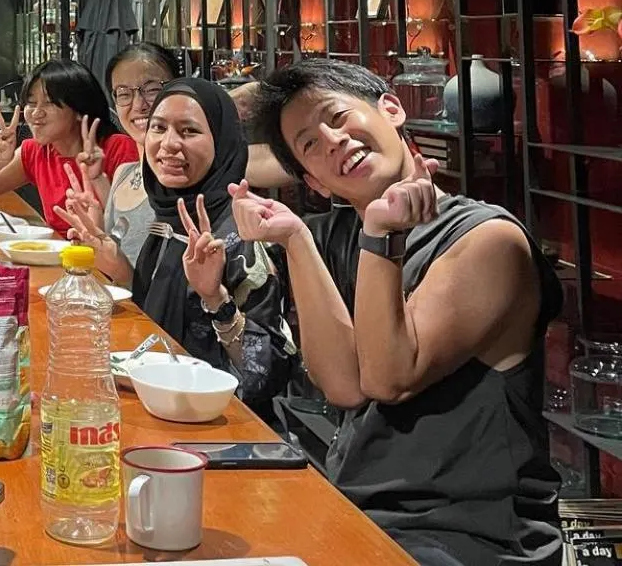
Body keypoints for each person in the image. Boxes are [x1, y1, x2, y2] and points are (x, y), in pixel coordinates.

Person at [236, 59, 562, 566]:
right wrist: (296, 239)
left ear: (391, 109)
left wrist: (380, 235)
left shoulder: (487, 239)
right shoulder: (356, 238)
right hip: (365, 514)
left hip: (465, 537)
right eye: (310, 145)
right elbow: (345, 386)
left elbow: (390, 377)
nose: (333, 141)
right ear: (315, 182)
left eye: (337, 117)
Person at [70, 77, 294, 411]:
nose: (169, 144)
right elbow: (155, 325)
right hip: (156, 403)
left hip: (220, 420)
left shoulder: (246, 232)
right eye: (158, 128)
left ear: (222, 140)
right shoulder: (168, 219)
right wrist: (115, 263)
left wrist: (216, 298)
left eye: (189, 131)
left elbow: (269, 375)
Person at [64, 44, 295, 275]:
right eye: (124, 93)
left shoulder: (198, 169)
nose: (138, 105)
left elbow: (291, 162)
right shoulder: (125, 173)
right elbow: (126, 261)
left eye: (152, 89)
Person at [0, 59, 137, 231]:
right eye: (31, 103)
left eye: (49, 103)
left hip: (102, 250)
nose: (36, 113)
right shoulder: (34, 151)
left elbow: (133, 228)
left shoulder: (118, 148)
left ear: (79, 110)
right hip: (56, 250)